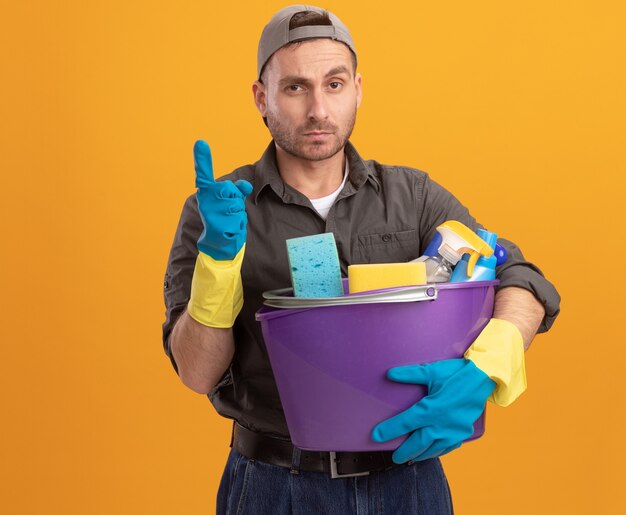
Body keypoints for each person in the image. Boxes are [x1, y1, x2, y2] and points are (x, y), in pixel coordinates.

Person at [162, 5, 560, 514]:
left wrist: (487, 367)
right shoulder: (217, 210)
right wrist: (218, 263)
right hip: (272, 486)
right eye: (295, 87)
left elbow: (519, 278)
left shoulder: (412, 197)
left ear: (358, 88)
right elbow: (196, 373)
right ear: (262, 98)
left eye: (334, 83)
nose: (318, 111)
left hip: (407, 483)